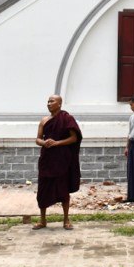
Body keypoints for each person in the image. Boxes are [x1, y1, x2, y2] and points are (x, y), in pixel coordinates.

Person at [33, 95, 82, 230]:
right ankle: (43, 220)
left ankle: (66, 219)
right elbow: (37, 139)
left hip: (61, 159)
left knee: (63, 190)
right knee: (42, 190)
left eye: (52, 101)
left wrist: (57, 143)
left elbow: (74, 138)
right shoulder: (44, 120)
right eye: (48, 101)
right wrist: (45, 142)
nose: (49, 104)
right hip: (47, 159)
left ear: (59, 104)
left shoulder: (66, 118)